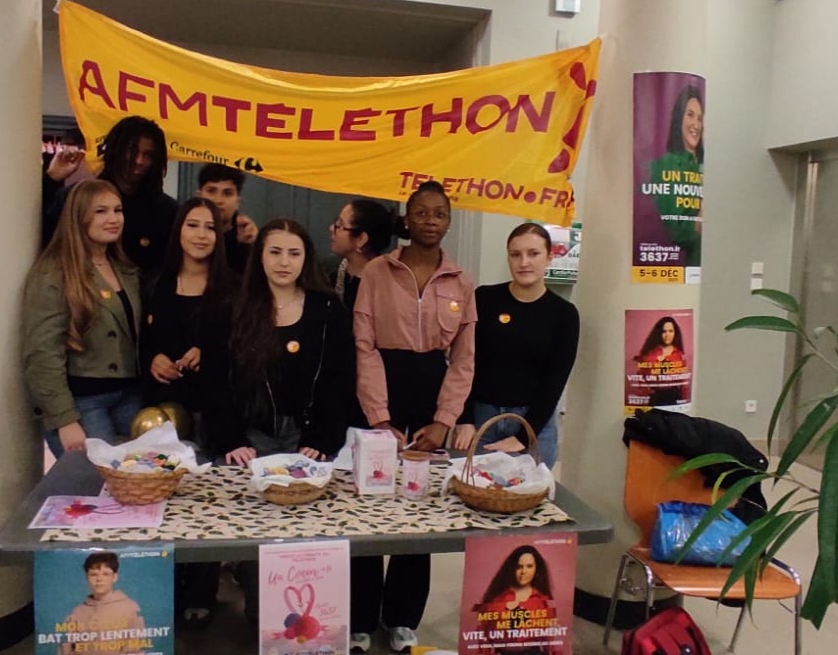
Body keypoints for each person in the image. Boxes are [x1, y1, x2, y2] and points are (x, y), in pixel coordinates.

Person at [202, 218, 355, 623]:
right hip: (250, 438)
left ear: (305, 258)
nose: (284, 262)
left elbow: (341, 381)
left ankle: (310, 628)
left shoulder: (328, 310)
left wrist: (324, 436)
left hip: (307, 438)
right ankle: (263, 627)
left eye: (293, 252)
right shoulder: (231, 307)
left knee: (309, 539)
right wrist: (230, 438)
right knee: (256, 540)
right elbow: (215, 382)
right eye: (274, 251)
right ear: (260, 256)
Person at [351, 180, 476, 653]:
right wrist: (379, 418)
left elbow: (464, 358)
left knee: (421, 511)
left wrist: (444, 419)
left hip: (432, 394)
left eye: (439, 213)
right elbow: (364, 346)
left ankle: (403, 617)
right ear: (406, 219)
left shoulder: (462, 282)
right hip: (379, 389)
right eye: (420, 212)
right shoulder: (378, 273)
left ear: (448, 221)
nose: (429, 220)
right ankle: (360, 617)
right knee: (369, 505)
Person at [23, 180, 142, 458]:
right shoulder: (53, 273)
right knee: (94, 488)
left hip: (130, 396)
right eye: (100, 211)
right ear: (78, 217)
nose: (113, 219)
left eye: (117, 210)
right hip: (83, 401)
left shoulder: (126, 268)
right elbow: (42, 353)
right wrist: (64, 419)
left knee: (136, 487)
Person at [453, 223, 579, 468]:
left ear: (549, 257)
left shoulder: (564, 314)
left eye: (533, 254)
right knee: (474, 496)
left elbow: (555, 381)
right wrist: (464, 418)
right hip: (482, 419)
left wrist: (523, 435)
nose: (524, 262)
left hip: (535, 424)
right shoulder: (485, 299)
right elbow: (464, 361)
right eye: (515, 254)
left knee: (530, 501)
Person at [141, 197, 234, 441]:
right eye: (192, 225)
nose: (201, 235)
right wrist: (152, 358)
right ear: (178, 230)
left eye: (210, 227)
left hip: (213, 413)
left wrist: (210, 353)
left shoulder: (234, 288)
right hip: (157, 412)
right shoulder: (153, 283)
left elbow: (247, 347)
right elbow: (138, 339)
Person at [45, 116, 177, 279]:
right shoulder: (76, 198)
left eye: (148, 155)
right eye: (132, 151)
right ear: (116, 149)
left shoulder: (167, 211)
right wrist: (51, 181)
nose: (139, 161)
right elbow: (43, 236)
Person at [649, 85, 704, 267]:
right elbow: (679, 233)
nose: (696, 124)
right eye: (690, 115)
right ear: (678, 118)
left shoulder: (705, 165)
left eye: (700, 118)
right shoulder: (666, 165)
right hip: (678, 270)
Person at [474, 546, 557, 655]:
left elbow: (549, 639)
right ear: (512, 568)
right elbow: (483, 635)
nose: (524, 571)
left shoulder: (543, 599)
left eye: (529, 566)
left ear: (537, 568)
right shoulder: (497, 598)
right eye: (519, 567)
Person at [60, 552, 144, 655]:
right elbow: (67, 650)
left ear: (114, 577)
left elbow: (135, 650)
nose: (99, 579)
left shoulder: (130, 608)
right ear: (87, 577)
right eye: (94, 574)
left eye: (106, 574)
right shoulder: (77, 612)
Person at [328, 198, 396, 310]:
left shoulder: (387, 286)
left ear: (361, 239)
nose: (331, 228)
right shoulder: (329, 272)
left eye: (339, 225)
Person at [194, 163, 259, 273]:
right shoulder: (181, 231)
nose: (218, 200)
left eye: (227, 193)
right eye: (211, 191)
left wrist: (252, 246)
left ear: (238, 201)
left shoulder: (247, 238)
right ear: (199, 196)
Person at [634, 315, 688, 406]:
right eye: (664, 331)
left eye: (670, 331)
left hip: (674, 396)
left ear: (675, 333)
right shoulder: (650, 354)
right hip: (656, 396)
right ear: (659, 333)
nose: (667, 335)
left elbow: (684, 383)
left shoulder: (678, 354)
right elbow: (641, 376)